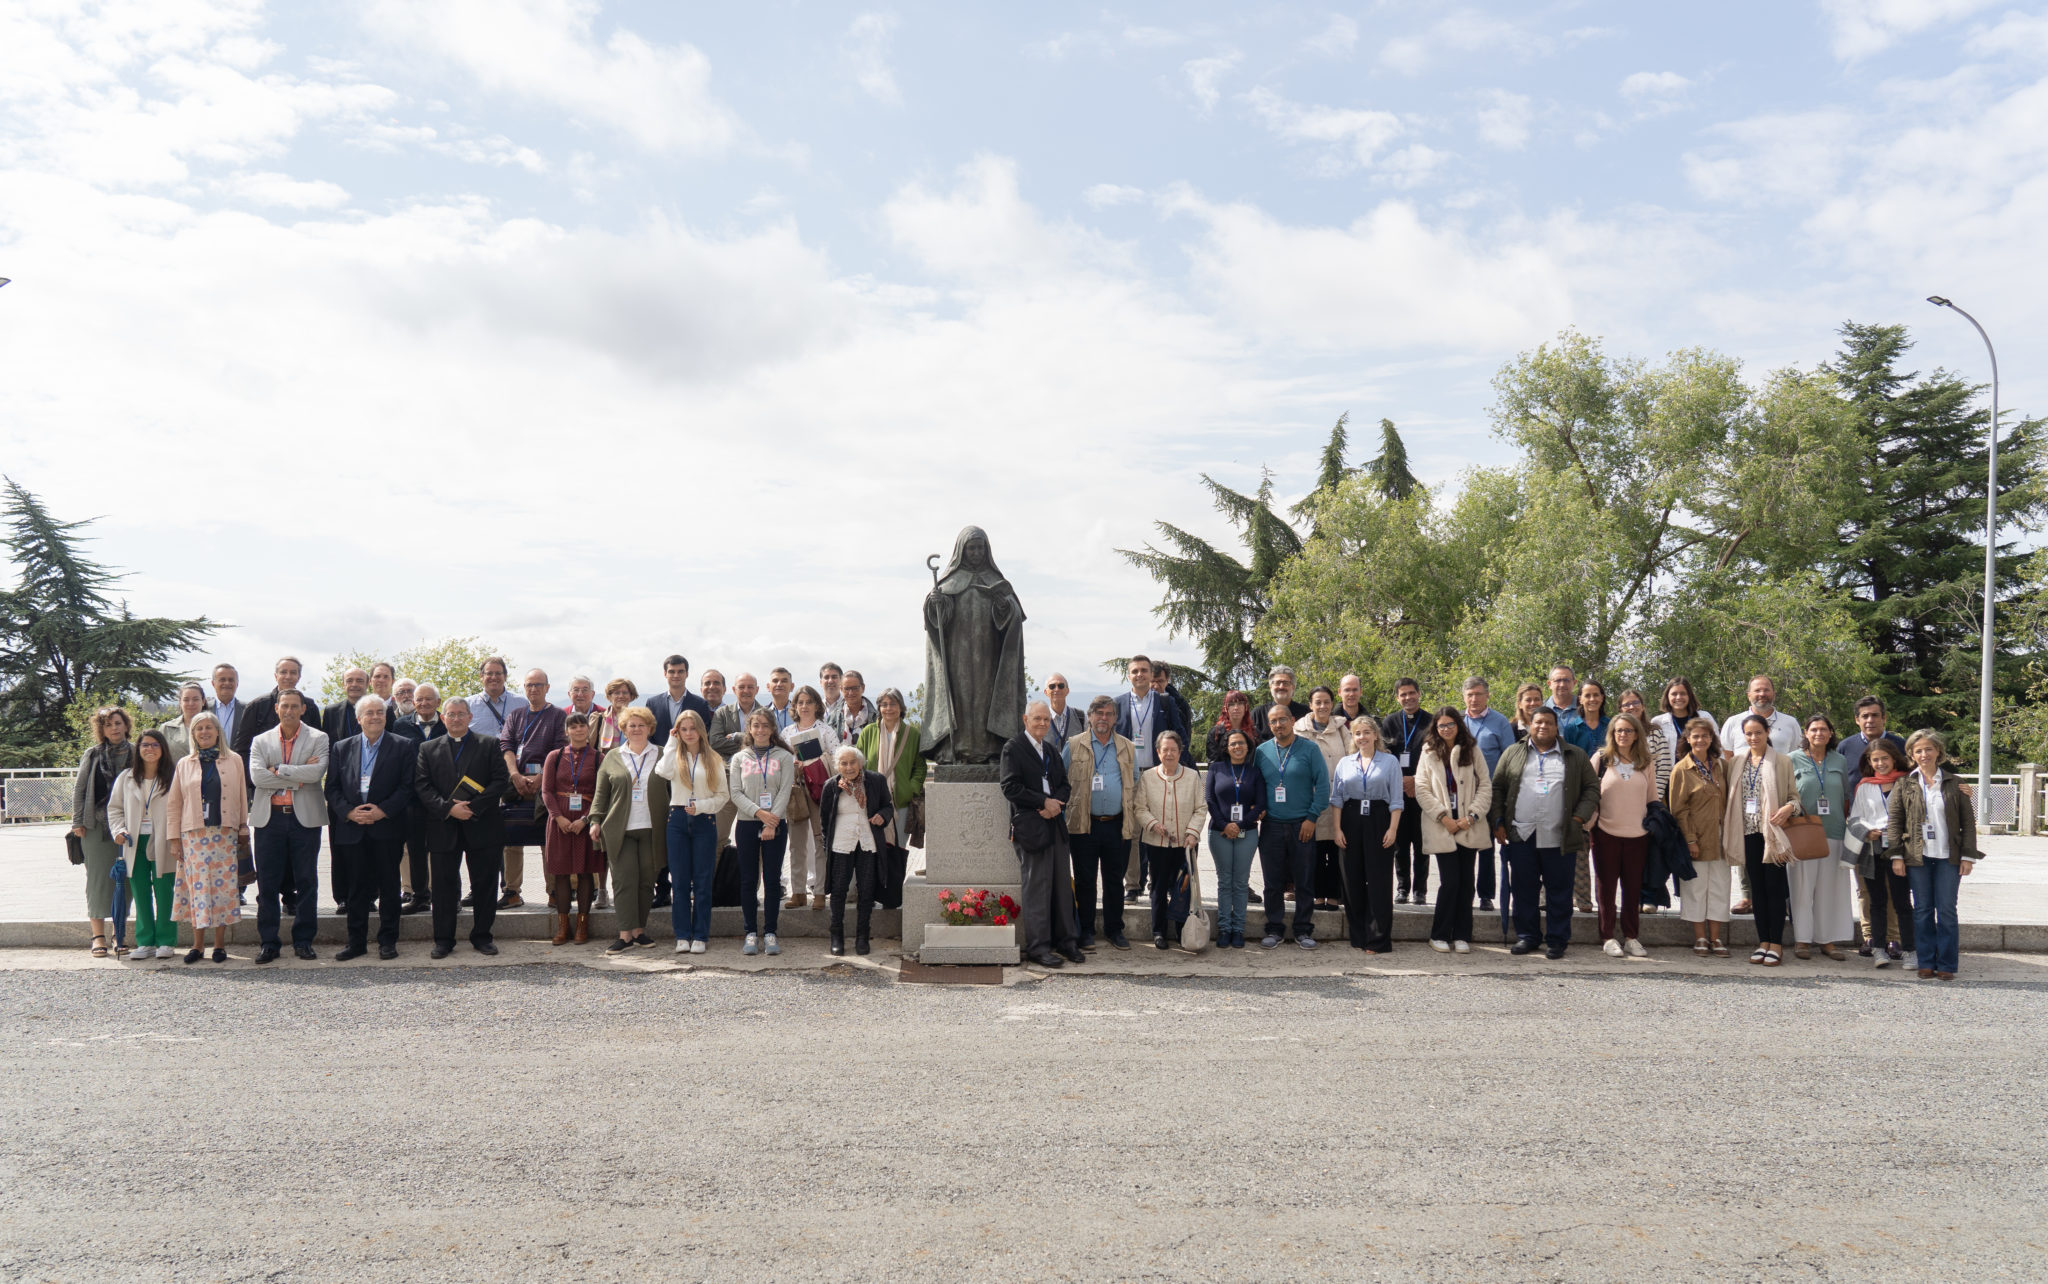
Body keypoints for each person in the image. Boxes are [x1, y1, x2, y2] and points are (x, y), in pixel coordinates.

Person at [1488, 709, 1599, 959]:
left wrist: (1578, 817)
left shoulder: (1575, 755)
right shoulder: (1513, 752)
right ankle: (1528, 936)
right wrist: (1498, 821)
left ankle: (1557, 939)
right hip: (1522, 833)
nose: (1543, 726)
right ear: (1529, 725)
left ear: (1556, 726)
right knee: (1524, 889)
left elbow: (1592, 788)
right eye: (1538, 722)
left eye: (1549, 722)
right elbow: (1498, 787)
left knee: (1559, 891)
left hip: (1559, 835)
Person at [414, 697, 511, 959]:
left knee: (484, 885)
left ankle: (482, 936)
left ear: (470, 717)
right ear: (442, 718)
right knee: (444, 888)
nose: (455, 719)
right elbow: (422, 786)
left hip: (482, 825)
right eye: (450, 714)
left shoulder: (489, 744)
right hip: (443, 827)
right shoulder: (427, 748)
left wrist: (474, 807)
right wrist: (449, 809)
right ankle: (443, 940)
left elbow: (500, 781)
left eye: (460, 714)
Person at [323, 694, 414, 961]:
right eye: (370, 713)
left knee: (388, 887)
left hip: (387, 827)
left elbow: (407, 787)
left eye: (380, 712)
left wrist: (382, 810)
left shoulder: (403, 746)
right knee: (356, 889)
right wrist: (349, 813)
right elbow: (332, 788)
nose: (375, 717)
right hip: (352, 828)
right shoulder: (341, 747)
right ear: (358, 718)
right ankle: (356, 942)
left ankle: (388, 941)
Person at [1885, 729, 1979, 981]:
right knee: (1923, 910)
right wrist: (1896, 855)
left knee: (1946, 910)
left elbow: (1968, 824)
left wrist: (1968, 856)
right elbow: (1895, 822)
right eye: (1918, 750)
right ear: (1911, 755)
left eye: (1928, 749)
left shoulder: (1955, 783)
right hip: (1918, 858)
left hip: (1949, 857)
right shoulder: (1904, 784)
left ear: (1938, 751)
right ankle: (1926, 961)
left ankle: (1947, 963)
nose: (1924, 754)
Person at [998, 702, 1083, 968]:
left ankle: (1067, 941)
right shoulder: (1013, 748)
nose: (1043, 724)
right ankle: (1039, 947)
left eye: (1046, 720)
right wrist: (1041, 803)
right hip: (1031, 828)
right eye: (1037, 719)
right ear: (1025, 719)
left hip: (1055, 824)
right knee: (1037, 888)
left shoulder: (1051, 750)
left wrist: (1055, 803)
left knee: (1061, 886)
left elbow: (1064, 785)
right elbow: (1009, 787)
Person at [248, 689, 329, 963]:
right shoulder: (260, 740)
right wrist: (297, 775)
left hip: (303, 818)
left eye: (295, 706)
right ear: (276, 708)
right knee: (267, 883)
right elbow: (258, 778)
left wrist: (278, 771)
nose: (289, 711)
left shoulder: (319, 738)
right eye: (285, 706)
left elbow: (316, 773)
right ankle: (269, 942)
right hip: (269, 818)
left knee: (306, 880)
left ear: (303, 709)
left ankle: (304, 940)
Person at [164, 712, 246, 964]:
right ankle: (197, 945)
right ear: (193, 734)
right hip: (194, 835)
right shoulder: (184, 764)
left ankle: (219, 945)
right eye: (199, 729)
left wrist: (243, 829)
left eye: (209, 727)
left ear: (218, 731)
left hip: (224, 833)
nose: (204, 732)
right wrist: (173, 839)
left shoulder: (233, 760)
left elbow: (243, 796)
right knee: (197, 888)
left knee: (222, 888)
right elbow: (174, 803)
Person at [1723, 713, 1801, 967]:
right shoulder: (1736, 762)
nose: (1753, 737)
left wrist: (1789, 808)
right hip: (1746, 833)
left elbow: (1794, 798)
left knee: (1775, 889)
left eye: (1758, 732)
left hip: (1772, 834)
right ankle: (1763, 942)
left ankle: (1776, 944)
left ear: (1768, 732)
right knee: (1757, 889)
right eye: (1749, 733)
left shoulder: (1782, 762)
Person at [588, 707, 666, 955]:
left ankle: (639, 931)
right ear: (623, 729)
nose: (636, 729)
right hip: (620, 829)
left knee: (646, 882)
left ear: (649, 728)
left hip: (653, 828)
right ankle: (624, 934)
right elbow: (601, 793)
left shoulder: (663, 754)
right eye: (631, 725)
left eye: (641, 724)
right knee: (623, 881)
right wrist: (595, 820)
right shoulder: (612, 756)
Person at [1416, 706, 1492, 953]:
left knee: (1467, 881)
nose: (1446, 729)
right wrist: (1443, 817)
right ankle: (1439, 934)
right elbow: (1421, 788)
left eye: (1451, 724)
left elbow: (1485, 786)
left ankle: (1462, 935)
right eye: (1441, 725)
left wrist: (1471, 816)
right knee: (1450, 881)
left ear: (1458, 725)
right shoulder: (1428, 751)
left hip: (1468, 823)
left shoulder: (1472, 749)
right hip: (1443, 825)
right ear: (1435, 728)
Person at [1255, 704, 1330, 950]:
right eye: (1273, 721)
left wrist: (1311, 818)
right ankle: (1274, 929)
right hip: (1272, 826)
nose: (1278, 725)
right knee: (1272, 882)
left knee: (1304, 881)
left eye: (1283, 720)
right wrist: (1257, 808)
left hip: (1302, 825)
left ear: (1292, 720)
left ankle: (1303, 930)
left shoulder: (1310, 749)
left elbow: (1323, 787)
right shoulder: (1262, 751)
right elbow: (1255, 786)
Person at [1840, 695, 1909, 957]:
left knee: (1895, 887)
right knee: (1865, 886)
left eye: (1875, 715)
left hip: (1895, 833)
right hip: (1861, 829)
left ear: (1884, 717)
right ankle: (1870, 936)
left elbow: (1924, 772)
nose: (1870, 720)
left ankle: (1894, 937)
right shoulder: (1845, 747)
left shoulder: (1901, 744)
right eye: (1864, 716)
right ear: (1857, 719)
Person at [1063, 696, 1135, 950]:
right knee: (1085, 879)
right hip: (1084, 825)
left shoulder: (1126, 746)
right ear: (1090, 717)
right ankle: (1086, 930)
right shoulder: (1073, 745)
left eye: (1109, 714)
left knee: (1115, 880)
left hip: (1117, 825)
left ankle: (1115, 929)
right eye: (1099, 713)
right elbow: (1062, 783)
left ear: (1115, 718)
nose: (1103, 718)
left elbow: (1134, 783)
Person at [496, 668, 567, 910]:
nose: (533, 689)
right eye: (529, 685)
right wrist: (514, 774)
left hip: (547, 784)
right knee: (511, 838)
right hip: (516, 783)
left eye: (538, 685)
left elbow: (560, 749)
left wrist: (541, 777)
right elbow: (506, 745)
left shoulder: (557, 716)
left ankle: (554, 891)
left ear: (547, 688)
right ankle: (512, 891)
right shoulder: (516, 715)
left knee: (547, 839)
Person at [657, 709, 726, 954]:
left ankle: (701, 934)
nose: (689, 733)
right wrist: (670, 741)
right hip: (677, 819)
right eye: (683, 729)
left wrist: (702, 807)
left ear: (701, 730)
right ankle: (682, 934)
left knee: (703, 880)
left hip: (703, 819)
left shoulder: (714, 759)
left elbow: (722, 796)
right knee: (681, 881)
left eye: (692, 728)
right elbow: (661, 772)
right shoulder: (674, 756)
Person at [1331, 718, 1403, 952]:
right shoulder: (1345, 763)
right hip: (1350, 819)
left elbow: (1396, 800)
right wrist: (1337, 828)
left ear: (1375, 735)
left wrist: (1392, 829)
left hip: (1379, 818)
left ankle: (1378, 938)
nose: (1361, 737)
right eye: (1357, 733)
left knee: (1379, 880)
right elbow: (1337, 799)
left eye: (1366, 732)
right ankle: (1359, 935)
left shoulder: (1389, 762)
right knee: (1352, 880)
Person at [729, 709, 797, 957]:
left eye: (765, 726)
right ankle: (750, 932)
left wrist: (772, 822)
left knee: (771, 879)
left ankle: (770, 932)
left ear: (772, 729)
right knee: (748, 880)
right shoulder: (739, 758)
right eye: (756, 725)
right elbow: (735, 792)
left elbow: (785, 791)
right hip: (748, 823)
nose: (760, 730)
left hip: (776, 823)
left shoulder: (784, 756)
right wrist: (759, 813)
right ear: (749, 728)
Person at [1587, 712, 1654, 958]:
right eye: (1619, 731)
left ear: (1637, 734)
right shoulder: (1601, 759)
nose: (1623, 735)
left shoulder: (1645, 762)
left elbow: (1652, 798)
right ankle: (1607, 936)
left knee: (1633, 889)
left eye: (1628, 730)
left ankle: (1631, 937)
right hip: (1605, 833)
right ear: (1612, 734)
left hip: (1638, 835)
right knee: (1606, 889)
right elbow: (1589, 793)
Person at [1788, 713, 1854, 961]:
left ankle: (1827, 940)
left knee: (1831, 889)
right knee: (1802, 888)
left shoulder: (1840, 760)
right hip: (1803, 833)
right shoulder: (1792, 760)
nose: (1819, 733)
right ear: (1806, 733)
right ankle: (1802, 940)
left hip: (1834, 832)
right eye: (1814, 729)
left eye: (1824, 729)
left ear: (1830, 733)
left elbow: (1845, 797)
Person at [1134, 730, 1207, 949]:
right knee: (1157, 887)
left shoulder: (1192, 776)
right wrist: (1153, 824)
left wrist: (1193, 832)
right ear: (1157, 752)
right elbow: (1139, 807)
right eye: (1165, 749)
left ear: (1180, 752)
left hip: (1184, 844)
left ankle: (1182, 929)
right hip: (1157, 843)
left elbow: (1201, 808)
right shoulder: (1148, 777)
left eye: (1173, 750)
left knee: (1182, 888)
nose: (1169, 754)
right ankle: (1158, 931)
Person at [108, 729, 178, 960]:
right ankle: (145, 941)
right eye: (145, 745)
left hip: (164, 839)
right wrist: (118, 830)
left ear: (163, 749)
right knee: (140, 891)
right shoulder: (126, 777)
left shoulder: (173, 776)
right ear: (138, 749)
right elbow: (115, 808)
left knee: (164, 890)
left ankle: (166, 941)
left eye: (155, 745)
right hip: (134, 839)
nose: (150, 749)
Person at [70, 706, 134, 958]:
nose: (114, 728)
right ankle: (98, 936)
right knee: (97, 880)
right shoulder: (92, 754)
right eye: (108, 725)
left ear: (126, 725)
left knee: (125, 881)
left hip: (129, 826)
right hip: (95, 825)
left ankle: (119, 933)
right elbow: (80, 789)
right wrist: (77, 822)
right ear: (102, 729)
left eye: (118, 723)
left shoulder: (138, 753)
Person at [818, 745, 894, 955]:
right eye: (844, 763)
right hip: (841, 843)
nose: (849, 767)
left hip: (868, 841)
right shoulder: (831, 786)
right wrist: (827, 845)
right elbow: (824, 819)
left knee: (867, 890)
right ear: (838, 766)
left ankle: (862, 936)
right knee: (839, 889)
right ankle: (836, 935)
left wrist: (882, 816)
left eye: (853, 762)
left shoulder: (876, 780)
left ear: (860, 764)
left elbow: (888, 806)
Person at [855, 688, 926, 908]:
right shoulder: (868, 732)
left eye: (893, 704)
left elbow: (919, 766)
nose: (888, 708)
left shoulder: (911, 733)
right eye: (884, 704)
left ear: (901, 707)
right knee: (871, 848)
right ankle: (870, 895)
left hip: (900, 802)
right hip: (872, 800)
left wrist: (910, 788)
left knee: (897, 850)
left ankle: (892, 898)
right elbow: (858, 762)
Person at [1846, 739, 1913, 968]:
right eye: (1876, 759)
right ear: (1869, 762)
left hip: (1900, 850)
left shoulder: (1907, 782)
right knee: (1876, 901)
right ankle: (1879, 950)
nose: (1881, 763)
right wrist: (1866, 831)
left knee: (1902, 900)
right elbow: (1855, 818)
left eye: (1885, 758)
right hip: (1872, 849)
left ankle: (1907, 948)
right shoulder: (1865, 786)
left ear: (1894, 758)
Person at [1667, 718, 1732, 957]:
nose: (1700, 740)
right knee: (1695, 889)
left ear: (1712, 739)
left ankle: (1716, 939)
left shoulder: (1721, 766)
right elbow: (1678, 809)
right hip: (1696, 839)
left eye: (1705, 736)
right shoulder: (1681, 770)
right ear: (1687, 739)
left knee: (1719, 888)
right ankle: (1700, 938)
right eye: (1695, 736)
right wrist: (1690, 839)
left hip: (1720, 838)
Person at [542, 712, 607, 947]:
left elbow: (602, 792)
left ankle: (582, 923)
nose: (579, 730)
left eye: (582, 726)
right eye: (574, 726)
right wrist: (557, 817)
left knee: (585, 872)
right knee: (559, 872)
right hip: (559, 818)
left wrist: (586, 819)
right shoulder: (555, 756)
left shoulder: (599, 758)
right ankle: (562, 925)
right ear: (566, 731)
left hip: (586, 820)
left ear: (588, 730)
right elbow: (546, 791)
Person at [1204, 729, 1265, 950]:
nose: (1237, 747)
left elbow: (1260, 804)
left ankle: (1238, 929)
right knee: (1224, 882)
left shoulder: (1255, 771)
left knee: (1240, 883)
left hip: (1246, 832)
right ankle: (1224, 928)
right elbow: (1210, 799)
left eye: (1241, 743)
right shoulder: (1216, 768)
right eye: (1232, 744)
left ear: (1248, 746)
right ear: (1226, 748)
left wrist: (1239, 825)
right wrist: (1224, 825)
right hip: (1219, 832)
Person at [781, 686, 839, 911]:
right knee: (796, 844)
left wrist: (817, 761)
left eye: (809, 702)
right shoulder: (786, 733)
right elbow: (781, 759)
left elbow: (836, 758)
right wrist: (793, 763)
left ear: (817, 705)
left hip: (819, 791)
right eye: (800, 702)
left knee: (820, 842)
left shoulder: (826, 731)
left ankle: (820, 892)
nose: (804, 706)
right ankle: (798, 892)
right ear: (794, 707)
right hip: (795, 791)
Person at [1460, 677, 1515, 915]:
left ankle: (1485, 895)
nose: (1474, 699)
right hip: (1463, 794)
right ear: (1464, 697)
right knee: (1463, 844)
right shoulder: (1457, 722)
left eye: (1479, 694)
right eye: (1470, 694)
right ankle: (1463, 892)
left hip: (1491, 793)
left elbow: (1509, 758)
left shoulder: (1499, 722)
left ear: (1487, 696)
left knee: (1486, 846)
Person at [1379, 678, 1431, 906]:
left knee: (1422, 845)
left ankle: (1420, 890)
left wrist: (1415, 781)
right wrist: (1402, 781)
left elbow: (1434, 756)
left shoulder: (1431, 721)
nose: (1408, 698)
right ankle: (1402, 888)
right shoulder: (1389, 722)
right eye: (1403, 694)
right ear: (1397, 697)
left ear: (1419, 694)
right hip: (1397, 792)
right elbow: (1384, 752)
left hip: (1423, 791)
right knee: (1399, 845)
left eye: (1411, 693)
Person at [396, 683, 445, 914]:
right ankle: (420, 896)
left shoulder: (448, 723)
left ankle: (449, 896)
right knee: (415, 850)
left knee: (445, 849)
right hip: (413, 799)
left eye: (429, 699)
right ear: (413, 703)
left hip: (443, 799)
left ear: (438, 702)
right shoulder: (399, 725)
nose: (424, 703)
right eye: (419, 700)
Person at [1301, 686, 1350, 914]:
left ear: (1332, 704)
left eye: (1326, 702)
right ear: (1310, 704)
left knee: (1337, 849)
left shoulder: (1342, 729)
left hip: (1339, 799)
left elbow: (1354, 756)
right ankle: (1318, 895)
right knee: (1316, 853)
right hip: (1311, 802)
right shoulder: (1300, 730)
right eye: (1317, 702)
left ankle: (1334, 895)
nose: (1322, 706)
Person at [234, 656, 325, 776]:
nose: (288, 676)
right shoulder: (256, 706)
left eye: (293, 672)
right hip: (264, 785)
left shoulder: (310, 707)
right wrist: (258, 776)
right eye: (283, 672)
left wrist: (280, 770)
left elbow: (316, 751)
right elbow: (243, 749)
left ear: (299, 677)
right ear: (275, 676)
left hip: (303, 786)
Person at [1114, 655, 1174, 775]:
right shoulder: (1117, 704)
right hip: (1126, 774)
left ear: (1151, 674)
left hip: (1157, 773)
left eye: (1144, 670)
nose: (1139, 674)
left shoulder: (1165, 702)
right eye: (1135, 671)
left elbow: (1178, 734)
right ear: (1129, 677)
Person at [1650, 679, 1712, 790]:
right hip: (1670, 782)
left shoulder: (1704, 717)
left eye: (1683, 693)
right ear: (1667, 697)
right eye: (1674, 694)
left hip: (1701, 779)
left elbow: (1717, 748)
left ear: (1690, 696)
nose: (1678, 697)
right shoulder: (1657, 722)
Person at [1250, 665, 1310, 740]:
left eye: (1285, 683)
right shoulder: (1258, 714)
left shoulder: (1306, 713)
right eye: (1277, 683)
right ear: (1270, 686)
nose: (1281, 687)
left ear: (1293, 687)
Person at [1151, 662, 1195, 762]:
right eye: (1152, 681)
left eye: (1160, 681)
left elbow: (1184, 736)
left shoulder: (1178, 703)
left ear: (1167, 680)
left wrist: (1179, 763)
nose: (1156, 686)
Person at [463, 656, 514, 740]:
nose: (494, 677)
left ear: (505, 676)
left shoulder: (521, 703)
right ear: (481, 676)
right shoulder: (466, 705)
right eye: (489, 673)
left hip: (510, 753)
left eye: (498, 673)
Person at [158, 682, 207, 761]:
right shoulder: (166, 729)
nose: (191, 703)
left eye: (195, 699)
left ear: (203, 701)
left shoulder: (215, 729)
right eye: (186, 700)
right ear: (180, 702)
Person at [1207, 689, 1259, 765]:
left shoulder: (1255, 732)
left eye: (1240, 703)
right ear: (1226, 708)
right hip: (1223, 775)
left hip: (1250, 775)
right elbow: (1213, 763)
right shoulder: (1216, 733)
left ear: (1246, 707)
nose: (1236, 708)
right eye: (1231, 704)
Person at [323, 666, 370, 746]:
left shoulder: (382, 710)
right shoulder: (331, 711)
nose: (354, 684)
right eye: (349, 681)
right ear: (343, 685)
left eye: (359, 681)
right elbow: (325, 742)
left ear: (367, 684)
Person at [826, 669, 876, 743]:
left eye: (855, 688)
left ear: (863, 688)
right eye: (846, 689)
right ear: (841, 689)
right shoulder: (833, 718)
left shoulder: (875, 717)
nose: (851, 693)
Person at [206, 663, 246, 756]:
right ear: (213, 683)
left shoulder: (247, 710)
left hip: (237, 765)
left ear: (237, 684)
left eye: (231, 680)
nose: (227, 683)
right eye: (222, 680)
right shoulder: (204, 709)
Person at [594, 678, 636, 754]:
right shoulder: (598, 719)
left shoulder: (638, 720)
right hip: (605, 763)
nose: (621, 696)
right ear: (609, 696)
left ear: (631, 696)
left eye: (625, 693)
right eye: (616, 693)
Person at [1044, 673, 1084, 749]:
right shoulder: (1039, 719)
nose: (1056, 689)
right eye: (1052, 686)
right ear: (1046, 692)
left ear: (1067, 691)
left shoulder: (1080, 717)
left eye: (1061, 686)